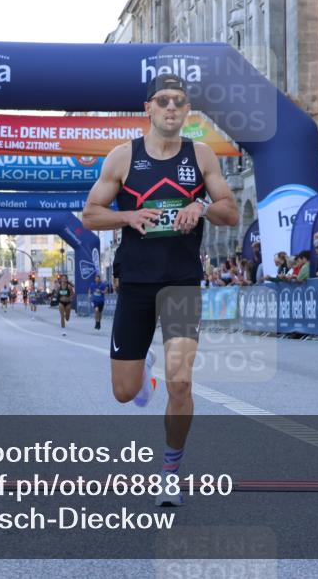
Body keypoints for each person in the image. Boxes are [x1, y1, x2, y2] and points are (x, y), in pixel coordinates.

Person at [82, 72, 238, 507]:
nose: (172, 108)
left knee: (182, 384)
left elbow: (231, 212)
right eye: (164, 101)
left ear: (187, 112)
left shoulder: (201, 155)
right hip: (135, 283)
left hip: (181, 283)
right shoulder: (122, 157)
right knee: (124, 392)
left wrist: (201, 206)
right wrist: (128, 218)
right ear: (148, 108)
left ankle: (170, 471)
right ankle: (143, 369)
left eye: (180, 102)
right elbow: (90, 215)